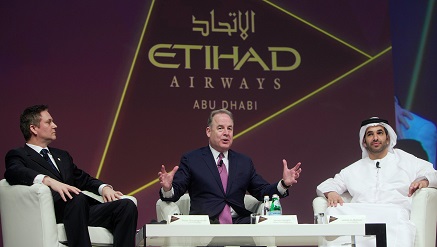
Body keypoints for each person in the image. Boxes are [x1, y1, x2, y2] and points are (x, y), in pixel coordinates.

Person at [4, 105, 138, 247]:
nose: (55, 126)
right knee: (75, 197)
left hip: (80, 208)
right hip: (53, 212)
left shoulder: (62, 155)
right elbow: (13, 172)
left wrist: (103, 188)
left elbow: (83, 178)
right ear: (33, 128)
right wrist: (47, 180)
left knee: (126, 206)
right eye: (49, 122)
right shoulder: (19, 154)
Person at [158, 108, 302, 224]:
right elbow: (175, 192)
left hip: (239, 222)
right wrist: (167, 188)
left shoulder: (243, 162)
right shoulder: (192, 159)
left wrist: (283, 184)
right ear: (208, 131)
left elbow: (261, 191)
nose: (226, 133)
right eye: (220, 128)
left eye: (230, 129)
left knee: (262, 227)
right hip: (206, 223)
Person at [316, 117, 437, 247]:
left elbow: (433, 173)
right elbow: (328, 184)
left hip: (392, 213)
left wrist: (425, 181)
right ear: (364, 142)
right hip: (362, 216)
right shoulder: (353, 169)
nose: (375, 138)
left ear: (388, 138)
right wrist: (331, 192)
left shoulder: (406, 161)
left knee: (395, 214)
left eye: (379, 133)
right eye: (370, 134)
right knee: (333, 211)